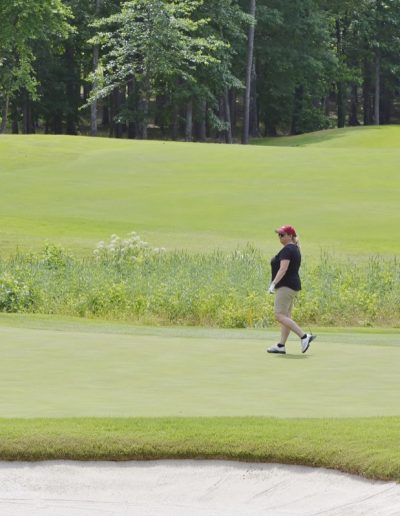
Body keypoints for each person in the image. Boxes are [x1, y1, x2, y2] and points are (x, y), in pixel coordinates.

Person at [267, 225, 316, 354]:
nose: (279, 237)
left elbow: (283, 269)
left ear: (290, 236)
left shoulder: (287, 249)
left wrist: (273, 284)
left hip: (285, 286)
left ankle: (304, 336)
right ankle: (281, 345)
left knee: (279, 315)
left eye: (282, 234)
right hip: (291, 286)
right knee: (286, 317)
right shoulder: (294, 248)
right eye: (279, 235)